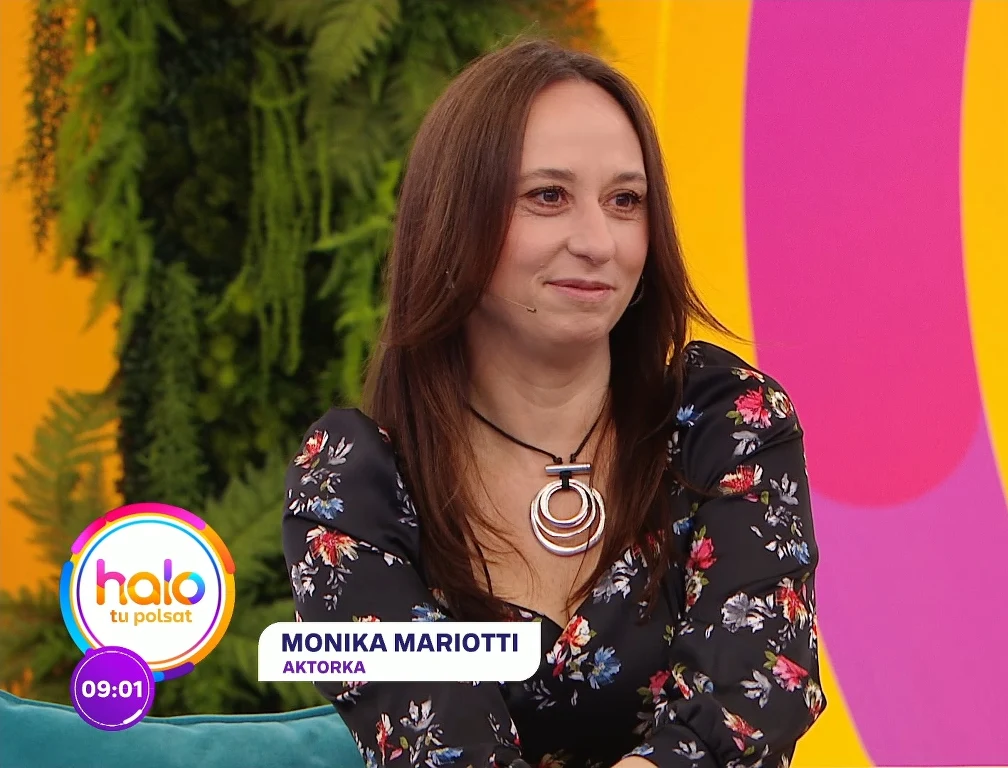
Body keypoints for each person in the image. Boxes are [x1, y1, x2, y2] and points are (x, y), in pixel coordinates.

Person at [281, 36, 823, 768]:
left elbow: (752, 700)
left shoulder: (729, 425)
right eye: (548, 197)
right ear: (453, 218)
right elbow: (440, 748)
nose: (598, 242)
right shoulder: (352, 483)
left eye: (625, 202)